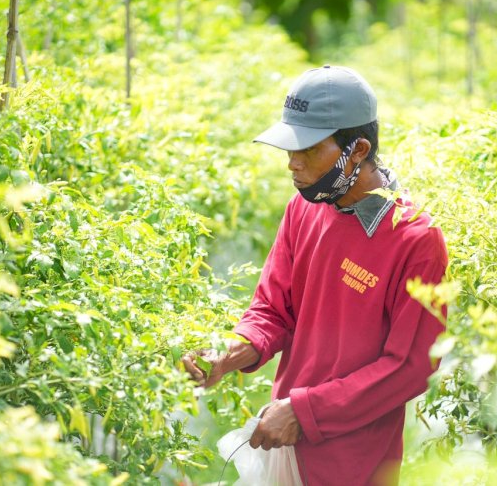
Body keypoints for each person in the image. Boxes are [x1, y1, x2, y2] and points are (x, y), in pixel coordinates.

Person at [183, 65, 448, 485]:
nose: (292, 163)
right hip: (284, 445)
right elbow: (273, 310)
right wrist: (227, 354)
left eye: (308, 149)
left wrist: (306, 412)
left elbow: (409, 366)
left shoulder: (415, 240)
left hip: (356, 465)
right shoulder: (304, 208)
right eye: (290, 148)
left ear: (357, 149)